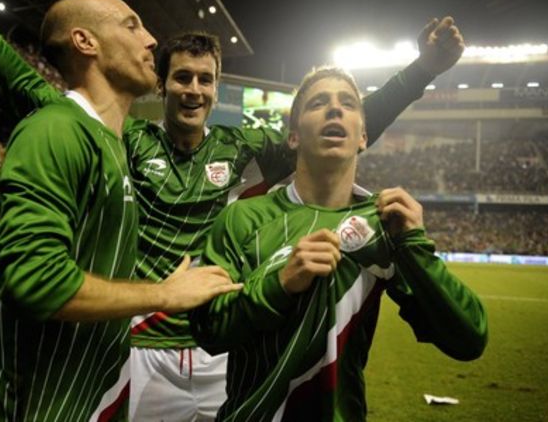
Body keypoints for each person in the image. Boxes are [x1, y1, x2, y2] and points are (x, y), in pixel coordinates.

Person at [0, 0, 466, 417]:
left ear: (217, 89)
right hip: (138, 346)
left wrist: (419, 73)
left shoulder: (242, 151)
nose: (194, 90)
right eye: (182, 78)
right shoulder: (125, 141)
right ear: (162, 85)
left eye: (205, 80)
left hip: (218, 348)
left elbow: (337, 126)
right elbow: (30, 90)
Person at [0, 0, 242, 421]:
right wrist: (164, 294)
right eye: (132, 26)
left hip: (88, 397)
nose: (151, 40)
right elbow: (35, 279)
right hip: (30, 408)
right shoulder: (55, 129)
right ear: (85, 41)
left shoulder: (112, 143)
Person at [189, 67, 488, 420]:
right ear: (294, 137)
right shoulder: (243, 218)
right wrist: (280, 284)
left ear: (363, 136)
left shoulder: (385, 227)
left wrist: (414, 247)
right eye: (319, 103)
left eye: (347, 103)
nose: (335, 109)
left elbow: (468, 340)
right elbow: (208, 331)